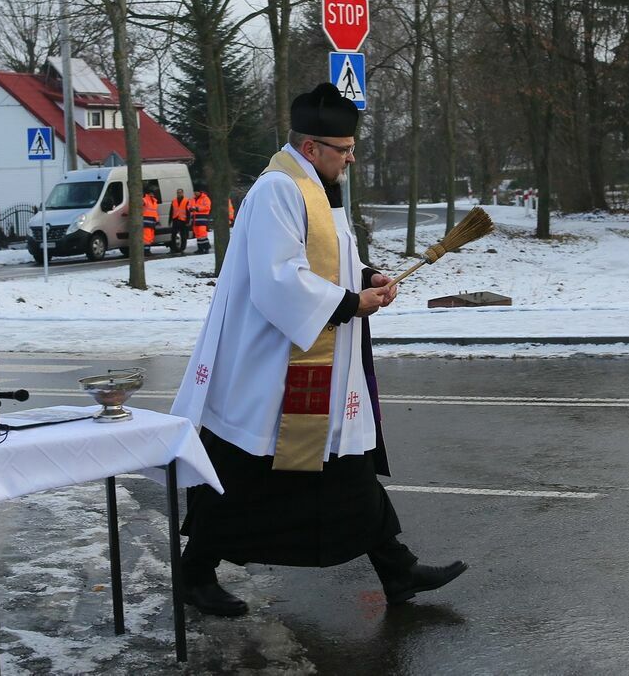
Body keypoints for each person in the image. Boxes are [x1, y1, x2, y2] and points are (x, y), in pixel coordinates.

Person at [171, 82, 467, 617]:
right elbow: (280, 280)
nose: (351, 159)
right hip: (272, 369)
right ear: (311, 147)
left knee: (348, 468)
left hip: (312, 361)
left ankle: (397, 570)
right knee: (245, 476)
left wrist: (368, 276)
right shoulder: (277, 191)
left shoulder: (313, 187)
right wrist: (351, 303)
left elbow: (325, 263)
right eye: (344, 150)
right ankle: (194, 572)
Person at [169, 187, 191, 254]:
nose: (179, 194)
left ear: (182, 193)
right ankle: (174, 249)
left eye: (180, 192)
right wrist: (170, 220)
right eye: (178, 193)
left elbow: (188, 212)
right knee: (173, 235)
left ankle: (182, 248)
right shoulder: (174, 201)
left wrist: (187, 221)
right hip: (175, 219)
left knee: (183, 235)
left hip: (183, 220)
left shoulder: (186, 201)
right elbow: (171, 211)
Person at [191, 187, 212, 253]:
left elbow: (207, 207)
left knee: (202, 234)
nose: (195, 193)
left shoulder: (205, 199)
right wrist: (190, 208)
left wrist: (197, 209)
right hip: (195, 219)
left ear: (200, 192)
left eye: (196, 192)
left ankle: (206, 248)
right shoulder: (193, 199)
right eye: (194, 192)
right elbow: (189, 206)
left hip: (202, 218)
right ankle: (200, 248)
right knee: (198, 235)